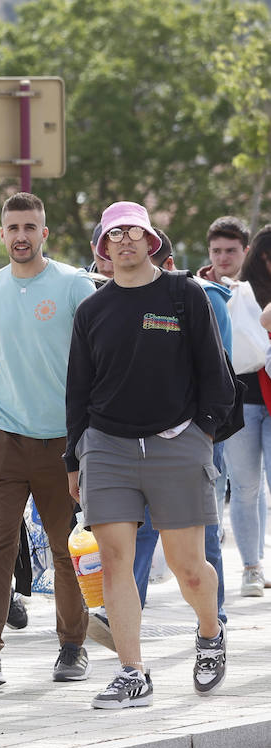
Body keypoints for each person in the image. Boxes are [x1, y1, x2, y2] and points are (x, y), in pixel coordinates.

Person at [65, 201, 233, 708]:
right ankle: (132, 670)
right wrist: (75, 458)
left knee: (189, 567)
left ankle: (209, 633)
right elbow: (77, 390)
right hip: (107, 448)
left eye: (134, 232)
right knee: (115, 564)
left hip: (176, 442)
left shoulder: (184, 293)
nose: (125, 241)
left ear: (151, 240)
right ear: (103, 248)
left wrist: (200, 434)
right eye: (114, 235)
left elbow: (215, 373)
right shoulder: (92, 309)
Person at [0, 192, 96, 688]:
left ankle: (73, 645)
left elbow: (99, 360)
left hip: (63, 442)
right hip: (2, 435)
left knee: (62, 548)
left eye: (30, 227)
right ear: (2, 233)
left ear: (44, 233)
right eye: (12, 228)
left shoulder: (74, 284)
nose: (21, 237)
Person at [118, 231, 231, 634]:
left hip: (192, 440)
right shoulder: (115, 303)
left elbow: (220, 369)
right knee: (141, 532)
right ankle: (128, 617)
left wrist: (203, 433)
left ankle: (211, 619)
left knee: (202, 543)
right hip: (132, 445)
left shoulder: (200, 297)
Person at [204, 218, 271, 597]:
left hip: (269, 393)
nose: (223, 257)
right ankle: (251, 568)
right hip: (239, 401)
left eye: (231, 250)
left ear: (247, 252)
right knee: (244, 487)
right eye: (217, 250)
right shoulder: (203, 290)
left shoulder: (255, 288)